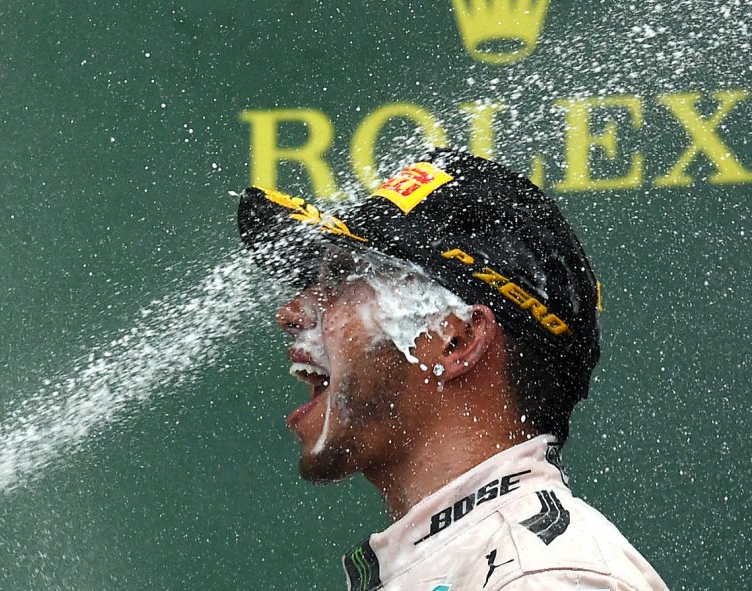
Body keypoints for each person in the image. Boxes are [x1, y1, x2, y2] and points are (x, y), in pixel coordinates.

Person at [237, 148, 668, 591]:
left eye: (344, 277)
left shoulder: (537, 577)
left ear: (456, 339)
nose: (290, 314)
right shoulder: (481, 563)